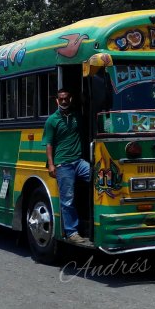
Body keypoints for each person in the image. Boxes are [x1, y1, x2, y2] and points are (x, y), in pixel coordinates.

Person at [43, 88, 90, 244]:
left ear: (71, 99)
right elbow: (48, 144)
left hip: (79, 162)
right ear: (57, 101)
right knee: (67, 200)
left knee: (99, 180)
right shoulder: (52, 120)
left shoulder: (77, 116)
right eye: (61, 99)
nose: (64, 101)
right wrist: (51, 165)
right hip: (63, 165)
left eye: (66, 98)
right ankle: (72, 232)